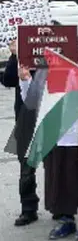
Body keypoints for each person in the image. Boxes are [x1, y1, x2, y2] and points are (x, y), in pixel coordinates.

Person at [18, 58, 78, 240]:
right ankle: (65, 219)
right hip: (51, 129)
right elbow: (33, 99)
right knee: (55, 176)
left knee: (75, 176)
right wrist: (25, 79)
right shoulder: (45, 67)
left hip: (76, 130)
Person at [4, 40, 40, 226]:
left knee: (57, 167)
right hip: (26, 118)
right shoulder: (21, 55)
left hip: (54, 115)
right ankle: (28, 209)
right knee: (26, 167)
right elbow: (8, 80)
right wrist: (14, 55)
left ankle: (62, 208)